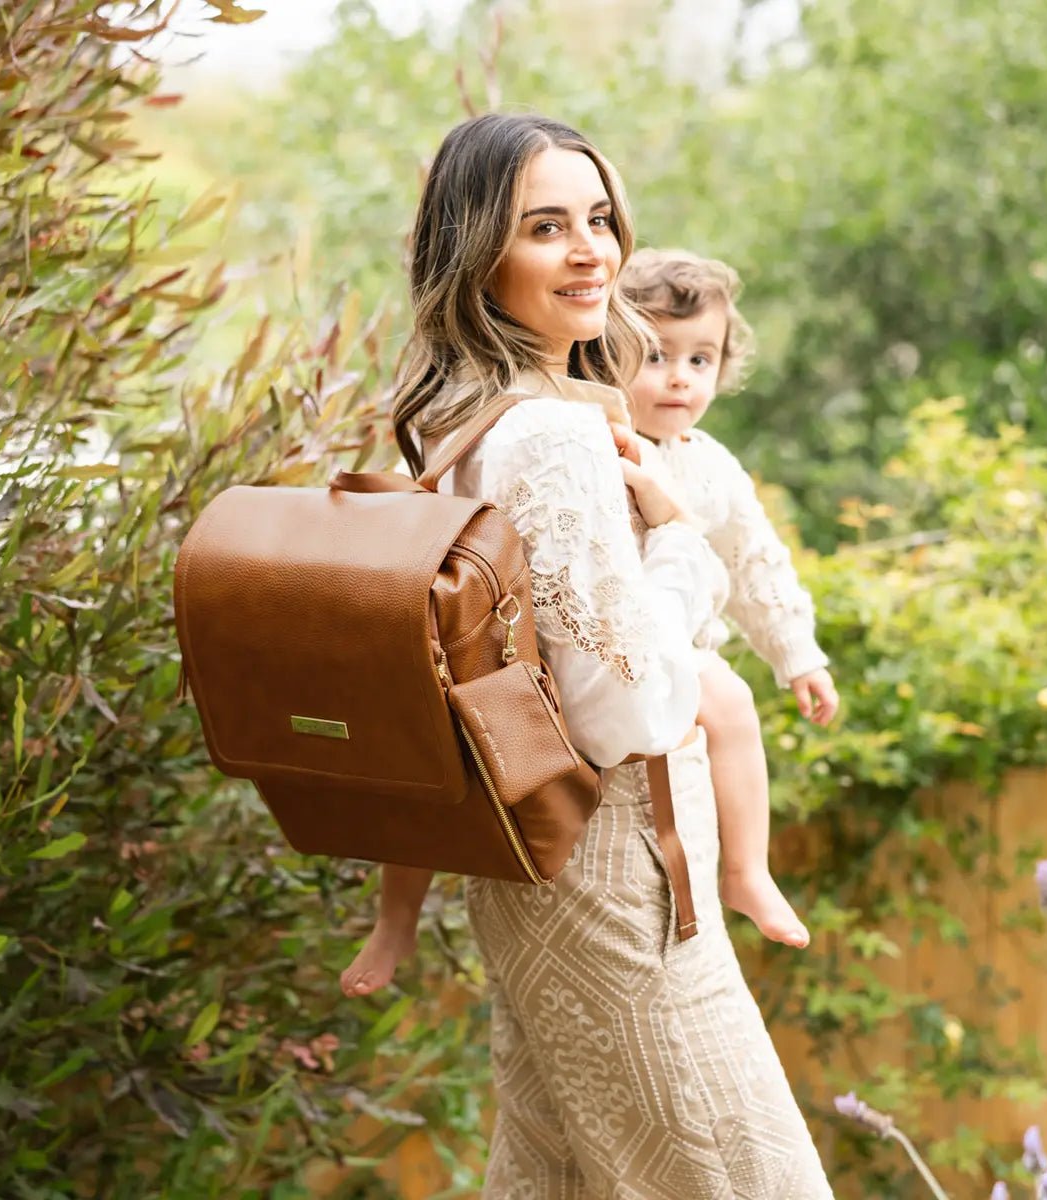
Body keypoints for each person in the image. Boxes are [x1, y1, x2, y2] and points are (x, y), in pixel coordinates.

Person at [345, 111, 835, 1197]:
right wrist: (674, 537)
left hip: (521, 873)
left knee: (558, 1173)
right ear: (478, 256)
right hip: (620, 880)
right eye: (544, 228)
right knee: (748, 1176)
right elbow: (637, 707)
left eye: (600, 219)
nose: (590, 252)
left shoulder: (455, 419)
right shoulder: (559, 435)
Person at [622, 248, 839, 949]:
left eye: (700, 359)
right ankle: (398, 916)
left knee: (733, 705)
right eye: (655, 354)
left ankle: (746, 871)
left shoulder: (710, 465)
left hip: (682, 648)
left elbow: (755, 563)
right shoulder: (600, 441)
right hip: (611, 642)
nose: (679, 377)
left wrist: (799, 656)